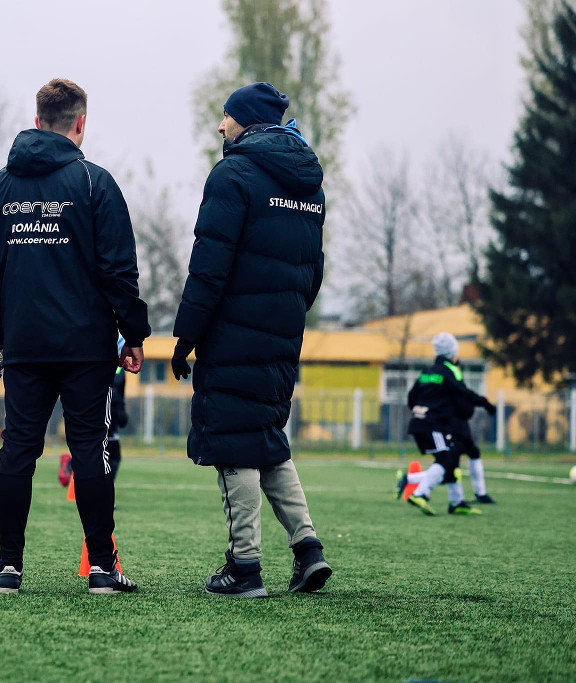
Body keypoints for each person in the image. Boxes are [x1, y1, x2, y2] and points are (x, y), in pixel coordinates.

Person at [0, 78, 151, 594]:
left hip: (24, 346)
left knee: (18, 450)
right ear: (80, 124)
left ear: (35, 122)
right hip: (85, 348)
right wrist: (133, 335)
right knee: (90, 448)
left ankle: (8, 570)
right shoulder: (95, 183)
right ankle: (101, 569)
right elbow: (120, 270)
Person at [171, 82, 331, 597]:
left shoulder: (233, 172)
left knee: (234, 444)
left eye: (226, 117)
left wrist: (185, 337)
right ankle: (309, 550)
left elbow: (209, 267)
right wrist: (284, 316)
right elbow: (314, 270)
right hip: (284, 334)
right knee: (267, 438)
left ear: (245, 122)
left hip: (233, 333)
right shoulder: (310, 183)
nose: (221, 126)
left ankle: (245, 566)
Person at [400, 333, 496, 515]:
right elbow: (463, 392)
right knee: (447, 460)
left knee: (451, 458)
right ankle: (420, 493)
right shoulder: (450, 370)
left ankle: (456, 502)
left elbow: (411, 397)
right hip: (434, 424)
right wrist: (485, 403)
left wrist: (421, 411)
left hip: (418, 422)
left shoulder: (426, 372)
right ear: (453, 353)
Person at [57, 366, 128, 487]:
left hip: (105, 409)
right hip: (104, 408)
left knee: (104, 455)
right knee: (104, 457)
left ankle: (70, 464)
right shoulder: (114, 365)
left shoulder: (117, 367)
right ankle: (71, 465)